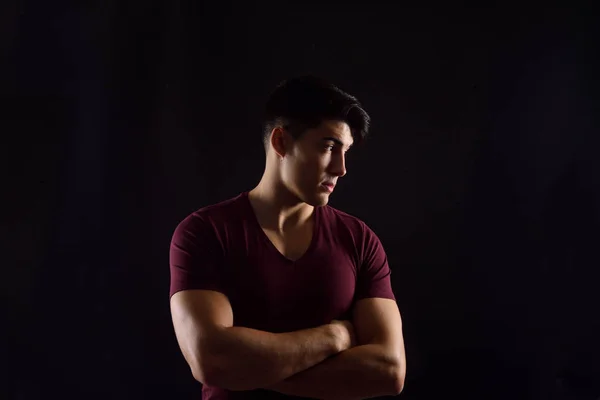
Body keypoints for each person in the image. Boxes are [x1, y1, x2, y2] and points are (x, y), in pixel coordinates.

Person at [169, 76, 406, 399]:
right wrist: (334, 337)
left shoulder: (359, 240)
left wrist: (249, 372)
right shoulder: (204, 233)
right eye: (328, 147)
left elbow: (389, 371)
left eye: (346, 151)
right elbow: (212, 360)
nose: (341, 168)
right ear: (281, 142)